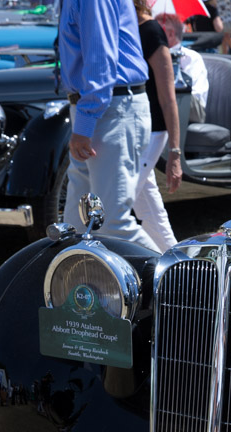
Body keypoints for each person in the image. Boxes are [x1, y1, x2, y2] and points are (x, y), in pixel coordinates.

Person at [59, 0, 158, 251]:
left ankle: (181, 285)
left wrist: (84, 123)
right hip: (103, 106)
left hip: (108, 107)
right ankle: (76, 289)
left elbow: (101, 63)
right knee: (75, 225)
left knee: (112, 222)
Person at [131, 0, 182, 253]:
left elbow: (168, 97)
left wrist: (175, 153)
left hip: (152, 131)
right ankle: (177, 266)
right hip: (134, 128)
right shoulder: (126, 28)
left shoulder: (151, 31)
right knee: (149, 210)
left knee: (118, 208)